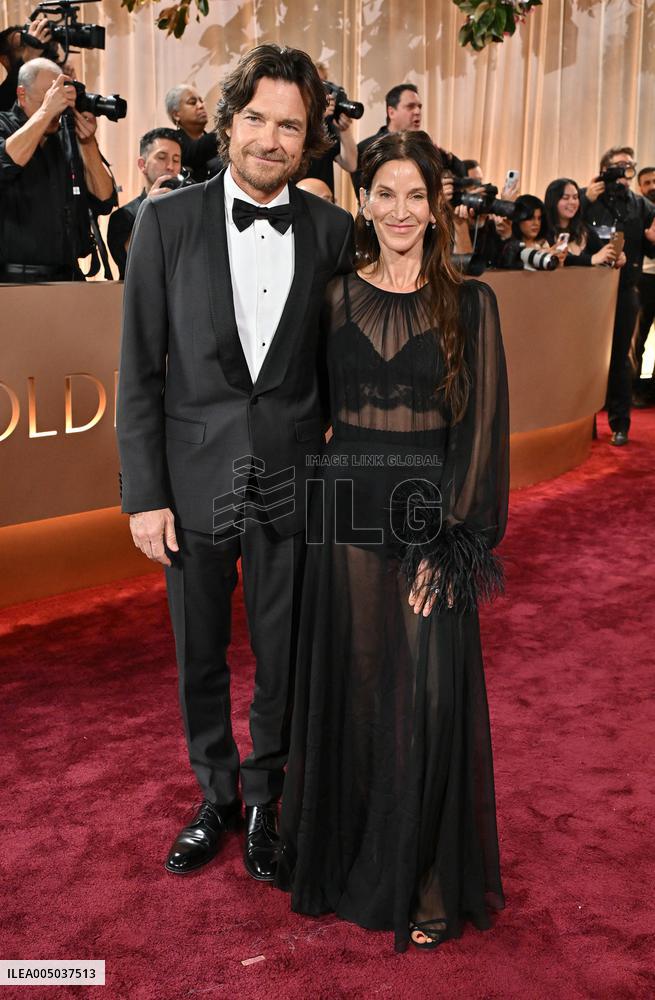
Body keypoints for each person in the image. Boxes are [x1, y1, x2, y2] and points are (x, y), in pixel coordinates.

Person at [116, 44, 353, 883]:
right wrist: (144, 494)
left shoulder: (332, 232)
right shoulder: (166, 221)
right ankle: (213, 792)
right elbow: (139, 370)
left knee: (282, 652)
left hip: (293, 482)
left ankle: (264, 797)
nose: (270, 138)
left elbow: (345, 365)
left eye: (290, 124)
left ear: (308, 138)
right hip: (189, 482)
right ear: (228, 121)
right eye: (256, 118)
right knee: (199, 652)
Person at [277, 130, 509, 953]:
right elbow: (307, 412)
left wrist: (456, 541)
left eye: (416, 194)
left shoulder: (468, 301)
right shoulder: (333, 295)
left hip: (425, 515)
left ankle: (425, 875)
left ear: (435, 204)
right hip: (343, 511)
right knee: (357, 683)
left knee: (425, 693)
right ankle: (349, 860)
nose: (400, 210)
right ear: (362, 200)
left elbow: (480, 434)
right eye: (385, 193)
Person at [0, 58, 116, 282]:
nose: (58, 102)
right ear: (22, 94)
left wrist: (88, 143)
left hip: (68, 276)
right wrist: (46, 112)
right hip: (12, 281)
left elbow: (105, 198)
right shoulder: (4, 125)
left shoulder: (67, 136)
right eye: (49, 93)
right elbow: (5, 162)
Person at [581, 146, 655, 444]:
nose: (624, 171)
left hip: (626, 290)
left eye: (629, 165)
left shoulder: (642, 205)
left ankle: (620, 423)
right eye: (617, 165)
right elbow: (569, 231)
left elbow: (650, 247)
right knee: (586, 358)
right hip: (589, 292)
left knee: (621, 358)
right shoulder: (588, 198)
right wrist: (585, 200)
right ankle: (584, 421)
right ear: (604, 169)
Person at [351, 83, 465, 194]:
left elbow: (463, 173)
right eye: (410, 107)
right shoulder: (366, 148)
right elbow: (363, 193)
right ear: (391, 112)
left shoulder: (425, 146)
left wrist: (447, 156)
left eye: (419, 107)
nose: (417, 112)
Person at [107, 127, 182, 279]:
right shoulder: (123, 216)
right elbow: (132, 262)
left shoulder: (187, 211)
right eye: (162, 157)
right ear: (142, 164)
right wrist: (150, 211)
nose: (171, 166)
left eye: (176, 160)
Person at [543, 178, 620, 267]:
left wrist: (615, 258)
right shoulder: (544, 231)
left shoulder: (585, 230)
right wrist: (592, 259)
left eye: (575, 197)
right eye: (565, 198)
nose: (572, 202)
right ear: (553, 201)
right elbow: (561, 259)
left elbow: (602, 255)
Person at [303, 80, 357, 198]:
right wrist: (316, 116)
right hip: (298, 198)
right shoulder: (295, 120)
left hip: (324, 199)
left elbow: (351, 164)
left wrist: (344, 129)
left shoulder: (327, 124)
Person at [165, 83, 222, 182]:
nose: (200, 106)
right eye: (192, 102)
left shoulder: (215, 141)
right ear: (176, 114)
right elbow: (192, 153)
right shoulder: (173, 143)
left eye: (201, 101)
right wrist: (224, 130)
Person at [633, 166, 655, 405]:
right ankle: (636, 388)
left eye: (654, 182)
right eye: (647, 183)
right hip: (644, 280)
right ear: (640, 187)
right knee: (639, 337)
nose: (652, 187)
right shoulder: (637, 211)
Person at [0, 15, 53, 112]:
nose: (31, 47)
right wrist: (29, 56)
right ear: (5, 60)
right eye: (22, 45)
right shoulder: (3, 99)